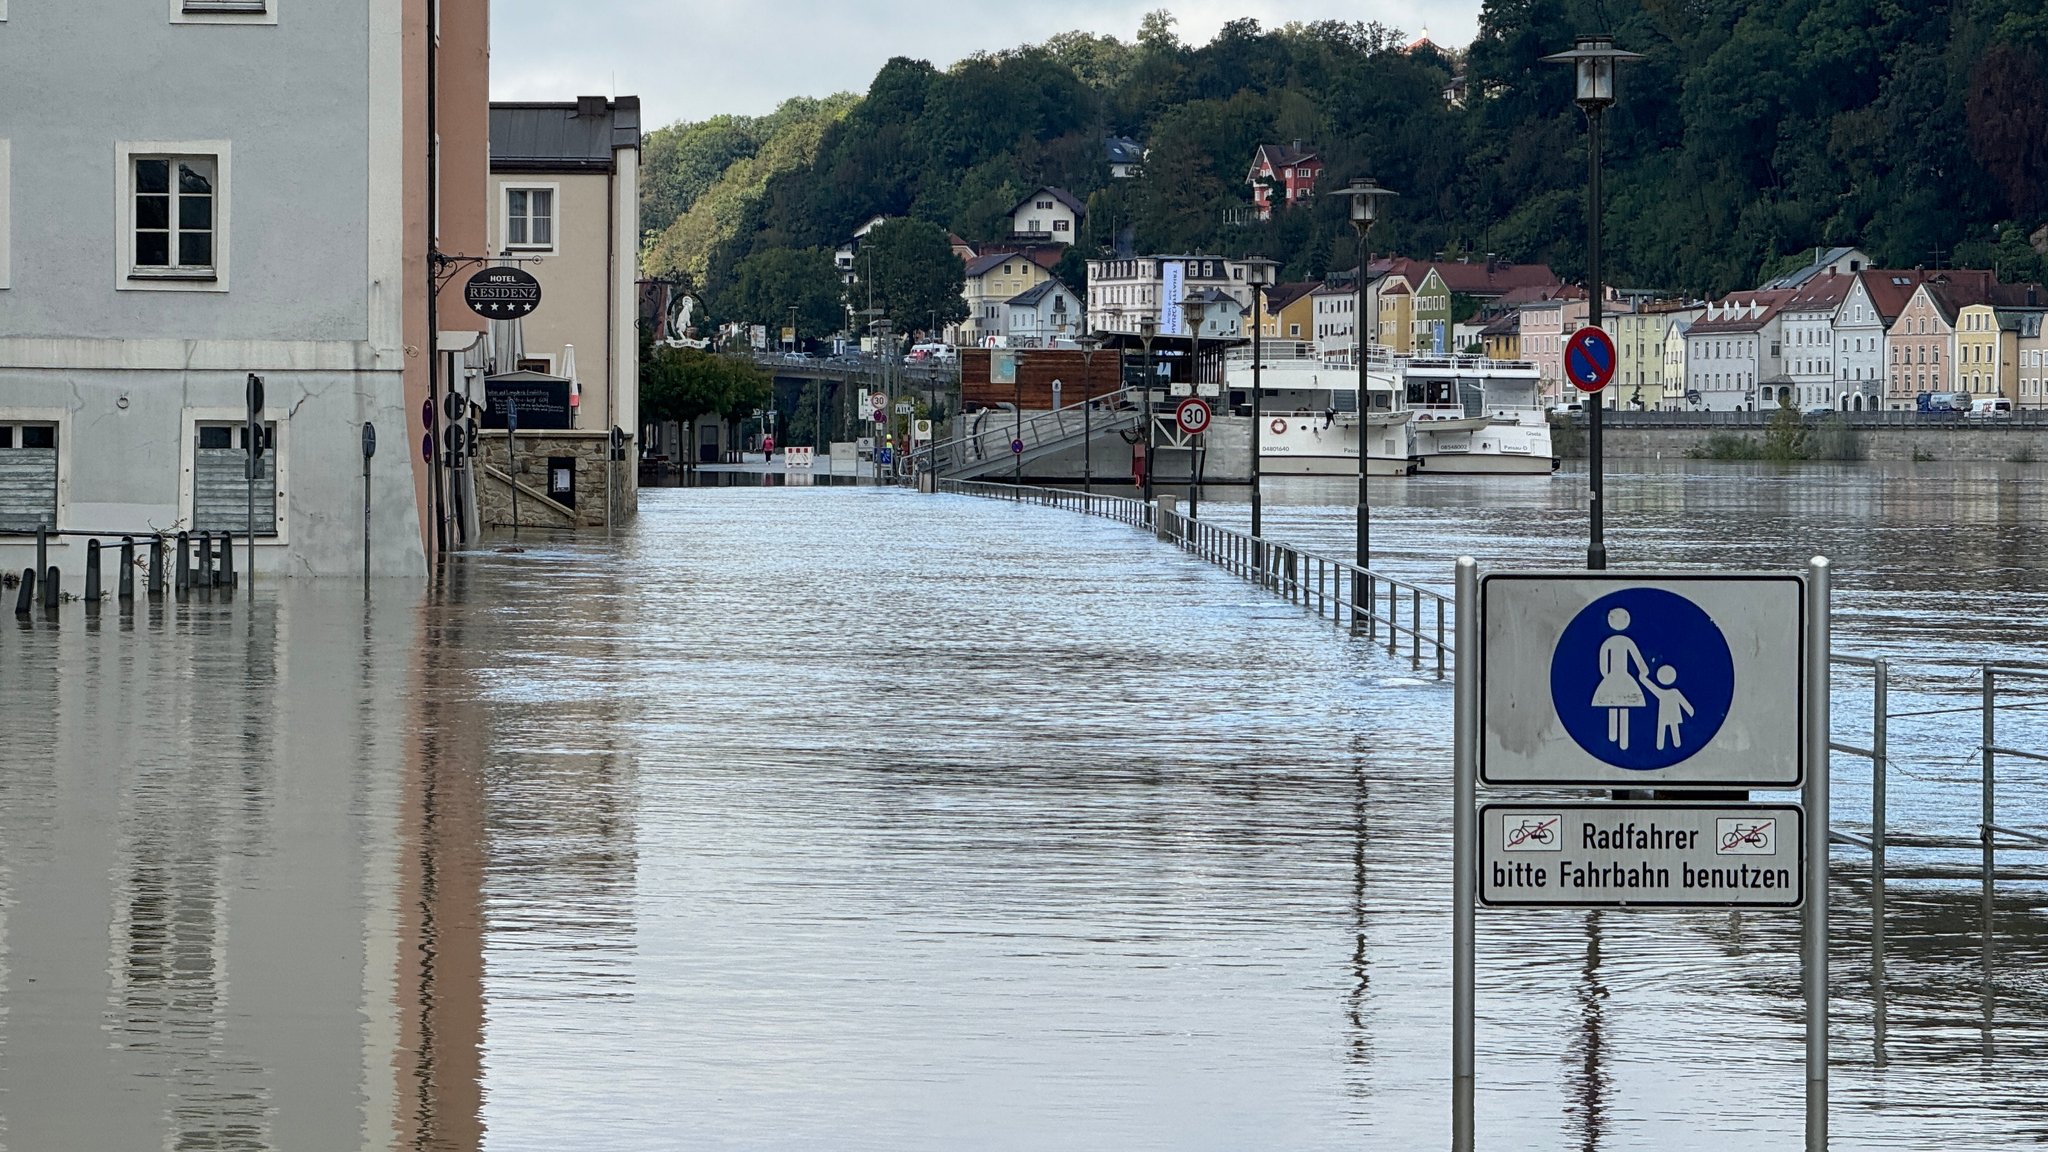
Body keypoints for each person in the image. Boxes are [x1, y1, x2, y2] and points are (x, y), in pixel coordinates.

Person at [1591, 607, 1650, 750]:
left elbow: (1603, 663)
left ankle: (1619, 737)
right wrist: (1644, 670)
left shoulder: (1613, 642)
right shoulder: (1620, 641)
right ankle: (1615, 736)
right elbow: (1637, 659)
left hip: (1616, 677)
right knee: (1618, 705)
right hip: (1621, 677)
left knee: (1619, 705)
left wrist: (1607, 676)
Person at [1641, 664, 1695, 751]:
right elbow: (1684, 702)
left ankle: (1665, 745)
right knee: (1667, 727)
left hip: (1668, 714)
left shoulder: (1666, 692)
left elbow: (1683, 701)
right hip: (1668, 714)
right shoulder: (1672, 692)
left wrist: (1643, 678)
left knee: (1669, 728)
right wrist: (1690, 711)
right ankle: (1662, 746)